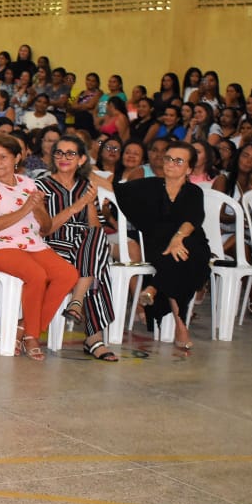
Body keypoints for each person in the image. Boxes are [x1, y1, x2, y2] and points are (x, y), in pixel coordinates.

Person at [0, 134, 78, 361]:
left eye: (3, 157)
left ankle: (24, 326)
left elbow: (46, 227)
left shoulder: (28, 184)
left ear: (17, 158)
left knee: (68, 274)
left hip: (31, 244)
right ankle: (32, 336)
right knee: (36, 275)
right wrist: (24, 209)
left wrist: (38, 209)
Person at [107, 141, 209, 349]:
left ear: (189, 168)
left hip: (190, 240)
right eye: (168, 159)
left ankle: (154, 287)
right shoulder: (149, 186)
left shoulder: (194, 192)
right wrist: (83, 167)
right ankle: (180, 324)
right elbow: (115, 189)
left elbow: (192, 219)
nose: (171, 164)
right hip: (159, 244)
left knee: (184, 254)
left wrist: (178, 237)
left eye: (178, 161)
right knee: (175, 259)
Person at [36, 136, 117, 360]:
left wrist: (90, 202)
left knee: (96, 238)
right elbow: (46, 229)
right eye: (59, 153)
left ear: (81, 159)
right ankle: (94, 338)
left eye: (71, 154)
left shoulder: (87, 186)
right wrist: (78, 205)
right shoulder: (41, 185)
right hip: (55, 244)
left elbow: (95, 226)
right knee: (97, 262)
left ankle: (77, 301)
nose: (64, 158)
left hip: (85, 243)